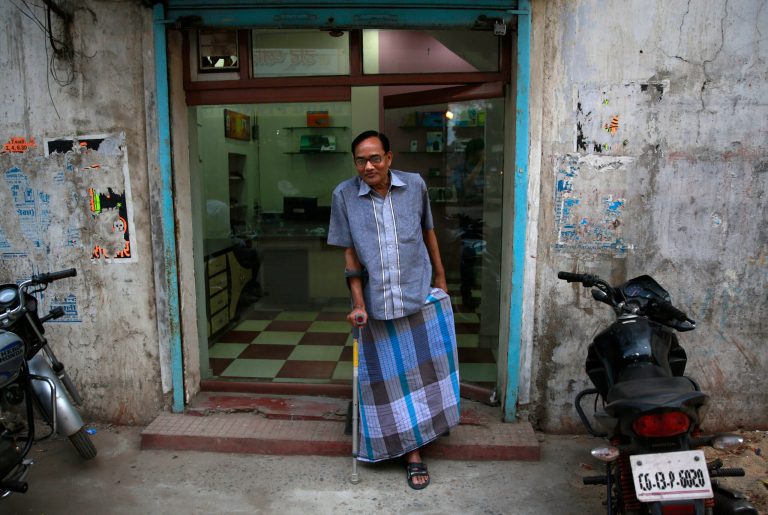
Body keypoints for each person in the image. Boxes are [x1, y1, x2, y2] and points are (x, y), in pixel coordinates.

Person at [327, 130, 460, 490]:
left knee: (424, 376)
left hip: (417, 296)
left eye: (374, 158)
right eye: (360, 160)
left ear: (389, 158)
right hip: (377, 304)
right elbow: (350, 252)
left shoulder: (415, 186)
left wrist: (442, 281)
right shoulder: (343, 195)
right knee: (389, 383)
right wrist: (357, 302)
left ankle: (422, 440)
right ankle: (407, 452)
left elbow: (428, 232)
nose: (367, 166)